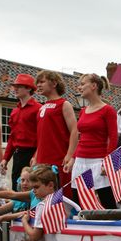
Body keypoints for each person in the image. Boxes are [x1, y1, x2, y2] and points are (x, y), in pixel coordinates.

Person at [68, 73, 118, 208]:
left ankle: (112, 228)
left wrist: (107, 163)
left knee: (107, 202)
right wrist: (73, 158)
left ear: (94, 86)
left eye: (83, 84)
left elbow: (113, 138)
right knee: (78, 202)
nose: (79, 87)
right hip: (80, 161)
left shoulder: (108, 110)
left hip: (98, 162)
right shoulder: (83, 111)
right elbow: (81, 137)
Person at [32, 70, 77, 198]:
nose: (39, 85)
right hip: (42, 160)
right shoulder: (41, 107)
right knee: (43, 196)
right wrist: (36, 155)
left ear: (54, 83)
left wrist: (70, 154)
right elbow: (42, 135)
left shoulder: (64, 104)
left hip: (59, 159)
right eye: (38, 83)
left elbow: (74, 130)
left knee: (62, 195)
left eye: (42, 82)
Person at [0, 73, 40, 189]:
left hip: (32, 154)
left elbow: (43, 136)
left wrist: (37, 155)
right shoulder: (15, 111)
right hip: (18, 155)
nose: (15, 89)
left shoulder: (38, 109)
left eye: (19, 86)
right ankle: (19, 208)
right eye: (14, 86)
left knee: (34, 187)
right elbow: (12, 137)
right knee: (17, 186)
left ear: (29, 88)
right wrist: (5, 158)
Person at [20, 165, 79, 241]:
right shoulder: (67, 201)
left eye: (36, 187)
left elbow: (35, 236)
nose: (33, 191)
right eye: (33, 188)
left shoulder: (42, 206)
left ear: (51, 185)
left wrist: (24, 221)